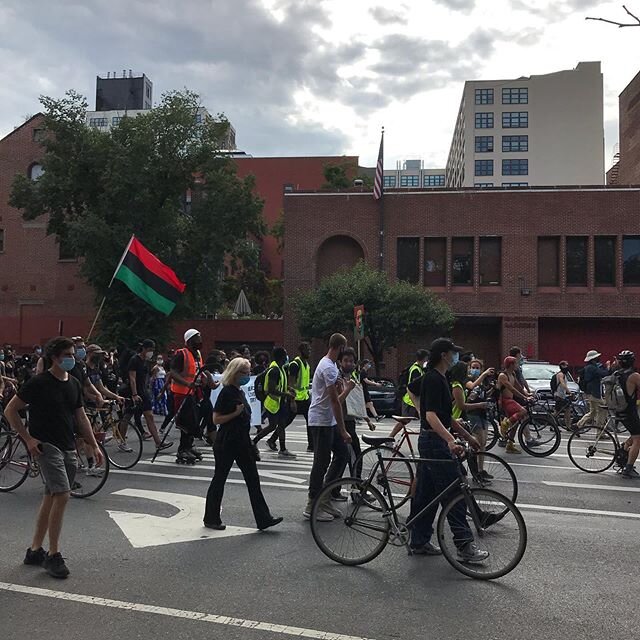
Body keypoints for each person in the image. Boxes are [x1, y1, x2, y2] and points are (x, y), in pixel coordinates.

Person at [4, 336, 104, 579]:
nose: (73, 357)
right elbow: (10, 410)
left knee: (51, 495)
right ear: (55, 358)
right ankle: (53, 554)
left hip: (69, 445)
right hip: (46, 446)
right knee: (62, 494)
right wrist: (27, 439)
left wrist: (93, 444)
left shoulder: (74, 383)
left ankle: (35, 550)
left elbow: (81, 417)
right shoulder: (39, 383)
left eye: (74, 353)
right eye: (68, 354)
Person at [407, 338, 487, 560]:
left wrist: (467, 436)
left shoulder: (441, 378)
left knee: (426, 494)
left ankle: (418, 539)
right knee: (455, 491)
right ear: (443, 355)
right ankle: (464, 545)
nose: (455, 357)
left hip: (432, 440)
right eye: (453, 353)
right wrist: (450, 440)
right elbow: (431, 415)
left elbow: (445, 416)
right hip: (434, 442)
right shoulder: (433, 379)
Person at [203, 357, 283, 530]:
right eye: (244, 372)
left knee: (253, 479)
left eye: (248, 372)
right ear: (235, 373)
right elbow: (216, 418)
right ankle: (211, 518)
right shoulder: (227, 392)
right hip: (227, 442)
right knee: (219, 479)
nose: (247, 375)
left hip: (242, 441)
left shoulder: (239, 391)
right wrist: (235, 413)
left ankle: (263, 518)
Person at [303, 333, 352, 520]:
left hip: (327, 420)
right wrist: (343, 430)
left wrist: (343, 389)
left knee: (342, 454)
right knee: (321, 462)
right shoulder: (328, 368)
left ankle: (325, 497)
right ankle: (312, 504)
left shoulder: (329, 366)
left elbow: (334, 398)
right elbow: (334, 402)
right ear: (340, 348)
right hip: (321, 421)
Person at [253, 347, 296, 458]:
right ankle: (253, 442)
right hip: (273, 403)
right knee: (272, 426)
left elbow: (280, 385)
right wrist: (287, 395)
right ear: (282, 357)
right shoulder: (275, 370)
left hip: (280, 402)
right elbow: (271, 389)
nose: (287, 357)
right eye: (285, 355)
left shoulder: (280, 368)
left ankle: (282, 449)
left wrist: (288, 388)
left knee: (281, 425)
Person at [127, 339, 170, 451]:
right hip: (134, 392)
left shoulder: (144, 361)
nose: (151, 352)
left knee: (149, 416)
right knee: (127, 416)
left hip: (144, 391)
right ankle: (121, 440)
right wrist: (134, 394)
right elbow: (132, 378)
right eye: (150, 350)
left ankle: (158, 442)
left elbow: (146, 377)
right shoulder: (134, 360)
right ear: (144, 349)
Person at [170, 329, 206, 463]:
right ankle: (182, 449)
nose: (200, 341)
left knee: (193, 421)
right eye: (198, 338)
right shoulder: (181, 354)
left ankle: (189, 446)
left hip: (193, 392)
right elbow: (173, 372)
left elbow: (200, 370)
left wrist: (207, 380)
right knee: (185, 421)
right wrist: (187, 383)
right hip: (181, 392)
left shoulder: (197, 354)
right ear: (190, 340)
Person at [610, 350, 640, 479]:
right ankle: (628, 470)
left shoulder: (616, 374)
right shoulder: (634, 376)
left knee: (635, 435)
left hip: (619, 410)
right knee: (638, 439)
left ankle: (624, 450)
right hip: (630, 412)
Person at [497, 356, 535, 454]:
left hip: (510, 399)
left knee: (516, 423)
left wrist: (527, 394)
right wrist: (524, 397)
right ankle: (505, 424)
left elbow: (518, 386)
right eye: (516, 363)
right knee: (523, 411)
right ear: (511, 364)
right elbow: (511, 389)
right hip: (504, 400)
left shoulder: (512, 374)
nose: (518, 365)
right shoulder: (503, 375)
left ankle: (509, 445)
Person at [288, 342, 313, 451]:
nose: (309, 352)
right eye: (308, 350)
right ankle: (272, 440)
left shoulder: (306, 364)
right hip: (296, 399)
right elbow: (290, 384)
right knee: (286, 421)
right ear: (302, 350)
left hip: (305, 398)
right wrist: (292, 400)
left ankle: (311, 445)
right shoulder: (295, 364)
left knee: (310, 421)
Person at [576, 349, 609, 429]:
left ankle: (578, 425)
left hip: (590, 392)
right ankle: (600, 431)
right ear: (594, 359)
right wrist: (608, 367)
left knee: (593, 412)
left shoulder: (589, 367)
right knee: (602, 410)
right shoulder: (592, 368)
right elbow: (603, 373)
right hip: (594, 393)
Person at [401, 349, 429, 417]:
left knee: (407, 419)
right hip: (410, 400)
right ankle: (396, 428)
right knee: (406, 419)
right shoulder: (416, 369)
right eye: (427, 358)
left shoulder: (419, 368)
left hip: (414, 399)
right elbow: (415, 385)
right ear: (424, 358)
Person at [553, 361, 573, 432]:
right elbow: (562, 383)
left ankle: (568, 426)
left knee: (566, 410)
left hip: (561, 395)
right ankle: (552, 424)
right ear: (562, 366)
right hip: (559, 395)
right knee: (558, 412)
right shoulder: (560, 374)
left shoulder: (563, 374)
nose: (567, 367)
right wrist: (569, 391)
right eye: (566, 365)